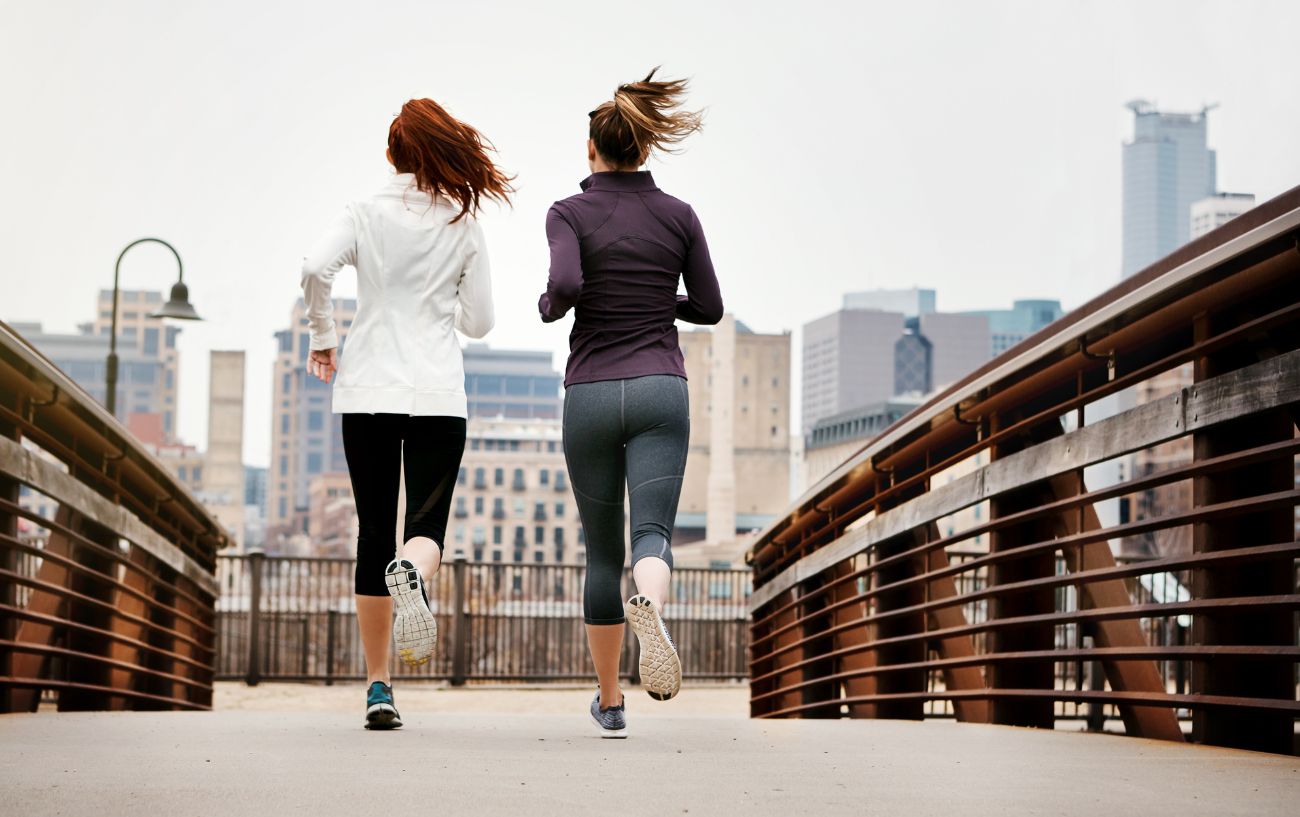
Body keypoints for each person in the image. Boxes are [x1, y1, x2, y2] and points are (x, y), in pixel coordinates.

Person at [302, 98, 512, 730]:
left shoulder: (362, 212)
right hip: (437, 395)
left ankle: (378, 687)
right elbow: (480, 324)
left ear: (391, 155)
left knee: (373, 529)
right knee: (425, 527)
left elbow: (315, 267)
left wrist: (322, 332)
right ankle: (413, 575)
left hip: (366, 389)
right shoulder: (462, 224)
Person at [538, 68, 723, 739]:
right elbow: (709, 306)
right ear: (644, 148)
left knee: (599, 550)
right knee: (653, 535)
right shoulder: (679, 215)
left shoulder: (568, 212)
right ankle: (652, 601)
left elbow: (562, 282)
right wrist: (657, 302)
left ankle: (611, 699)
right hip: (657, 389)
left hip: (589, 392)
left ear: (594, 150)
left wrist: (553, 304)